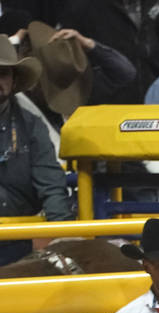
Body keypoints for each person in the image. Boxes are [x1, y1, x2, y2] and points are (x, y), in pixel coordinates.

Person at [0, 34, 72, 266]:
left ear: (13, 80)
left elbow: (51, 184)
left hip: (20, 238)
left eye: (2, 73)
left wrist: (60, 235)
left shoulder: (30, 124)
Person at [57, 0, 159, 103]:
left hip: (156, 103)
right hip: (107, 106)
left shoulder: (157, 3)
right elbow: (62, 56)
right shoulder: (83, 6)